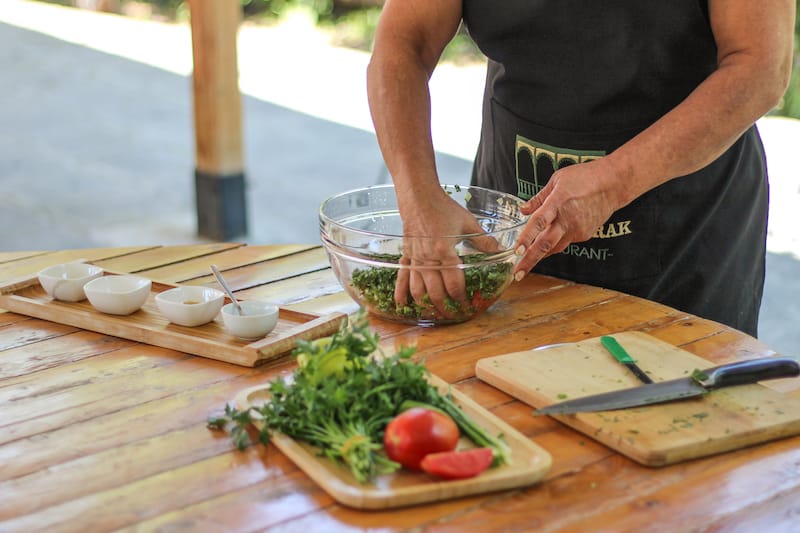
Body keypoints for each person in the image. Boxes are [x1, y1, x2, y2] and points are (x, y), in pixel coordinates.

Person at [366, 0, 795, 336]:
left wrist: (614, 182)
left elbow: (760, 67)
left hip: (685, 228)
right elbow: (404, 42)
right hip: (510, 221)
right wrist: (419, 198)